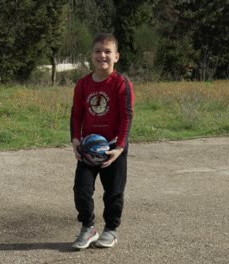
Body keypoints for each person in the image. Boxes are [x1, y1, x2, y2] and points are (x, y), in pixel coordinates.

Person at [70, 33, 135, 249]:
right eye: (98, 51)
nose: (102, 55)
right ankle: (88, 228)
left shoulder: (121, 83)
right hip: (89, 147)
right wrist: (76, 140)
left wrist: (119, 147)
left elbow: (127, 116)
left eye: (107, 51)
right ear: (92, 55)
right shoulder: (83, 84)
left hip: (113, 147)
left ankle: (111, 230)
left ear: (116, 56)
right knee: (81, 189)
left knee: (114, 192)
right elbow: (77, 113)